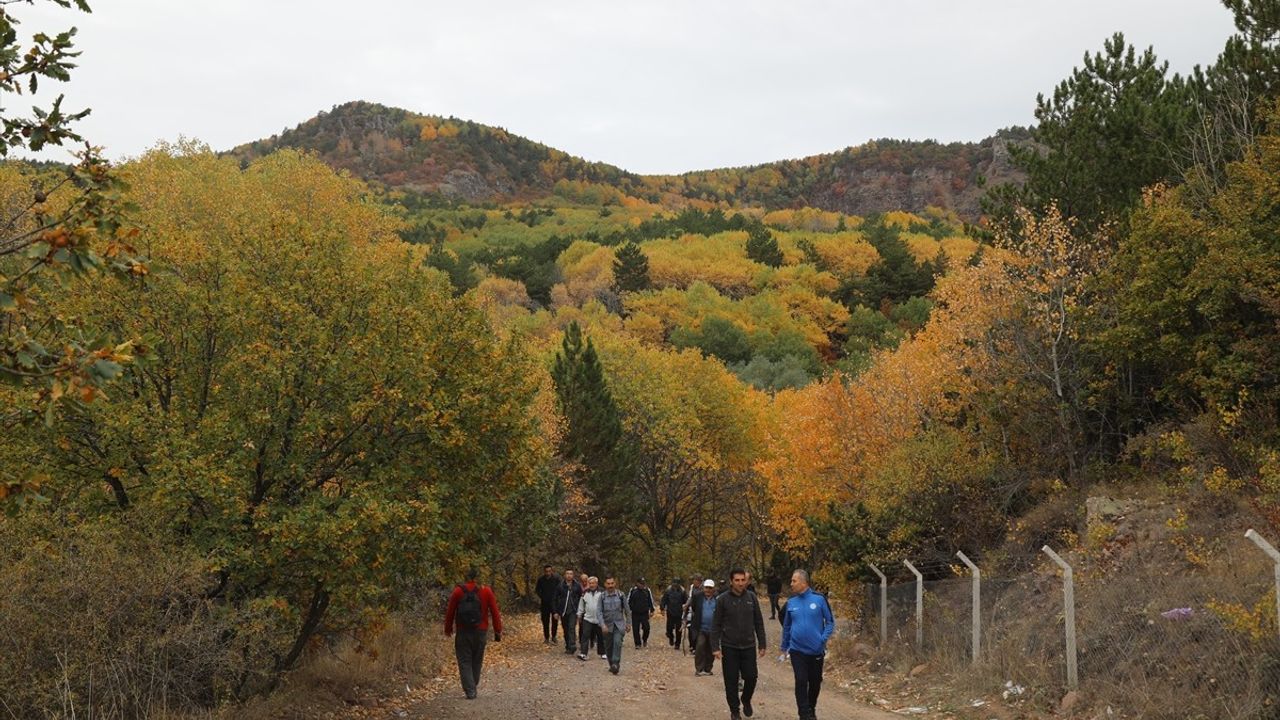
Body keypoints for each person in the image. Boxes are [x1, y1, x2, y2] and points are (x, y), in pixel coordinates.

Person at [712, 569, 768, 720]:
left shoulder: (751, 598)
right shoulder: (722, 599)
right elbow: (716, 624)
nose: (740, 583)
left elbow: (758, 622)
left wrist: (762, 643)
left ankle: (746, 699)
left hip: (748, 645)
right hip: (729, 646)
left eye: (743, 580)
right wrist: (715, 647)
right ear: (731, 581)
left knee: (751, 676)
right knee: (730, 681)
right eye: (737, 580)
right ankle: (735, 710)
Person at [780, 569, 834, 720]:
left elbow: (830, 622)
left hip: (816, 650)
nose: (791, 584)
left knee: (815, 682)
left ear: (803, 582)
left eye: (794, 581)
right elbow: (787, 627)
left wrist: (822, 639)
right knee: (801, 680)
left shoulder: (819, 599)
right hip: (797, 650)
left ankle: (811, 707)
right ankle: (804, 714)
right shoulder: (791, 602)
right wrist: (784, 647)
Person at [443, 567, 503, 700]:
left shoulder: (458, 591)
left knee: (464, 660)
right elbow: (495, 612)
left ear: (467, 577)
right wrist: (498, 629)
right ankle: (472, 684)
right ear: (478, 577)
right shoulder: (486, 590)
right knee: (477, 659)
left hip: (463, 631)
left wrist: (448, 629)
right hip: (481, 631)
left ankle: (470, 689)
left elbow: (450, 612)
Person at [598, 575, 632, 674]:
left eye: (612, 583)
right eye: (608, 584)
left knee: (617, 643)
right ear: (605, 585)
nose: (610, 585)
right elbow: (599, 612)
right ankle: (611, 664)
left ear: (615, 583)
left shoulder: (621, 595)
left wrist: (628, 623)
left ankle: (615, 663)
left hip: (619, 625)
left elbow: (627, 610)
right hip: (607, 626)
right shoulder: (602, 596)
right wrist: (602, 625)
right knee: (608, 647)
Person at [688, 578, 718, 676]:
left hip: (713, 629)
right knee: (700, 647)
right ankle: (699, 669)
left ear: (713, 589)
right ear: (703, 588)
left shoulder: (718, 599)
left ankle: (708, 668)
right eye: (706, 588)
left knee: (711, 649)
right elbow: (694, 608)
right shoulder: (697, 597)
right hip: (701, 628)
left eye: (710, 588)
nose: (708, 590)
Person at [555, 569, 583, 655]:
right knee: (566, 629)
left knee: (571, 627)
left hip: (573, 611)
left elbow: (581, 597)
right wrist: (556, 612)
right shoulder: (560, 586)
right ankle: (568, 645)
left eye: (571, 574)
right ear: (564, 575)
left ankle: (572, 645)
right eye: (567, 573)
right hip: (563, 611)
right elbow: (555, 599)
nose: (569, 575)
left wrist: (580, 610)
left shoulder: (577, 585)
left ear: (573, 575)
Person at [576, 576, 604, 661]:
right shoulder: (585, 593)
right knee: (585, 635)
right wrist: (579, 614)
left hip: (599, 618)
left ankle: (603, 653)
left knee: (601, 636)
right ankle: (583, 653)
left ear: (596, 583)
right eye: (590, 583)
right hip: (587, 618)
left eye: (593, 583)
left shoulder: (602, 593)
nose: (591, 585)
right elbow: (581, 604)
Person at [535, 564, 561, 644]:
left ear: (552, 571)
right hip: (545, 603)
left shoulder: (556, 578)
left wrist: (557, 598)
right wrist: (542, 596)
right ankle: (546, 637)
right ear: (544, 571)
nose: (548, 573)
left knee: (554, 620)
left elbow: (560, 589)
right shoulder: (541, 580)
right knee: (545, 621)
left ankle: (554, 636)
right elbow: (537, 590)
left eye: (549, 571)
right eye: (546, 571)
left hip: (554, 603)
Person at [627, 577, 656, 648]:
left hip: (644, 613)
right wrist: (628, 610)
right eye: (641, 584)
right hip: (635, 613)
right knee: (635, 629)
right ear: (637, 583)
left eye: (643, 584)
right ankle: (637, 644)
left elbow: (650, 601)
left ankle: (644, 639)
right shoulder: (632, 590)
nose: (642, 585)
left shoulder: (647, 590)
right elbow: (628, 601)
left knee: (647, 628)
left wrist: (652, 610)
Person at [659, 577, 688, 649]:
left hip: (679, 613)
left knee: (678, 630)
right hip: (670, 613)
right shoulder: (668, 591)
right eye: (674, 583)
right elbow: (663, 600)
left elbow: (686, 601)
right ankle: (671, 638)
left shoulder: (682, 591)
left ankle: (677, 644)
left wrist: (686, 609)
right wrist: (662, 608)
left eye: (677, 584)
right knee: (669, 629)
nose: (675, 585)